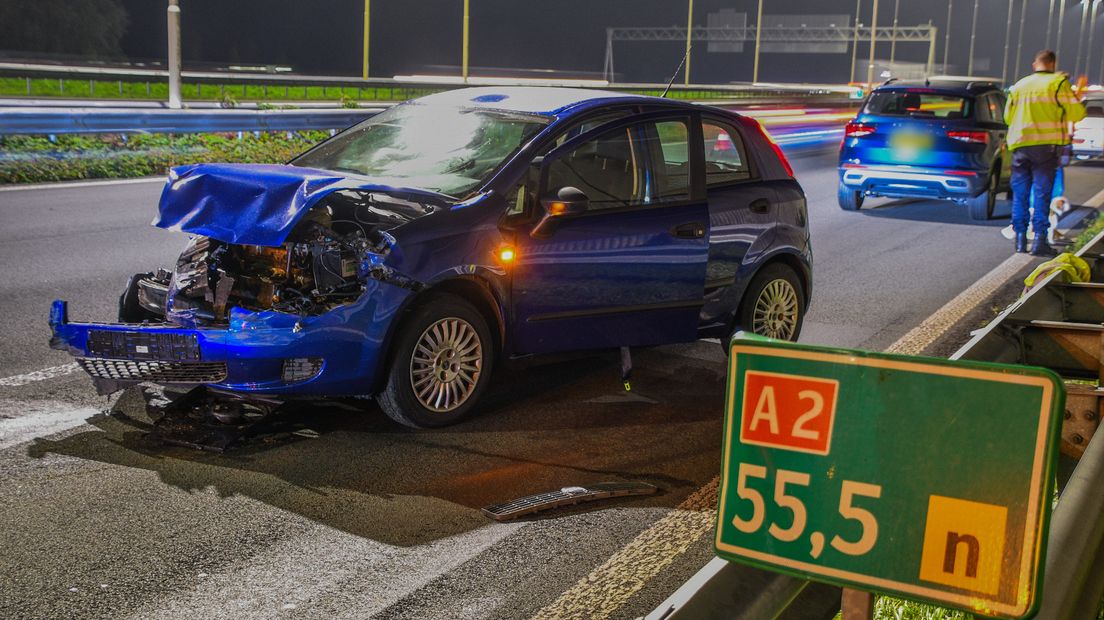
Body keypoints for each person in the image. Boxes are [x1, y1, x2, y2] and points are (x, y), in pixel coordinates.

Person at [1003, 50, 1085, 256]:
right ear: (1052, 64)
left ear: (1035, 64)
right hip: (1045, 147)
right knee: (1042, 194)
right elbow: (1077, 113)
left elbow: (1007, 117)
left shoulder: (1019, 85)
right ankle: (1040, 241)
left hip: (1020, 146)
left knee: (1020, 194)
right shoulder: (1057, 83)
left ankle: (1020, 240)